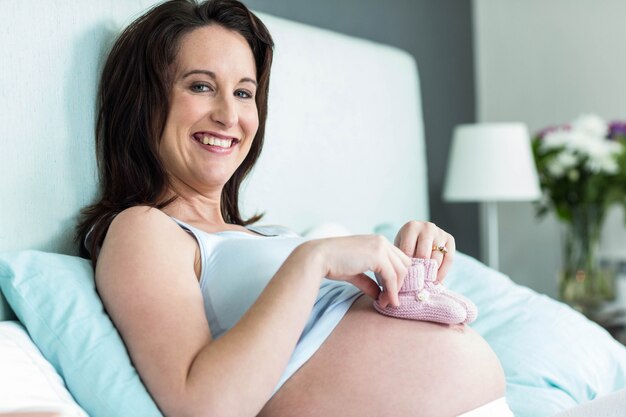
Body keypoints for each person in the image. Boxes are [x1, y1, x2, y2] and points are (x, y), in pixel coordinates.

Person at [77, 0, 509, 415]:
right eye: (201, 86)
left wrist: (406, 260)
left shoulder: (270, 234)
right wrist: (314, 259)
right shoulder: (143, 229)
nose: (230, 115)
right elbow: (201, 406)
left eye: (244, 93)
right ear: (144, 101)